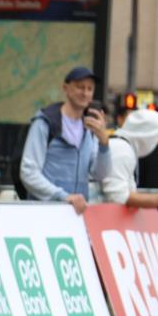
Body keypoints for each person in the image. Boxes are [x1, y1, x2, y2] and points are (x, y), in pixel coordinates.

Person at [18, 66, 111, 213]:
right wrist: (63, 196)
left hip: (76, 215)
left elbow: (100, 174)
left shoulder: (90, 128)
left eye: (90, 89)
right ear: (66, 88)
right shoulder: (45, 122)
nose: (85, 93)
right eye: (80, 87)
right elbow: (28, 173)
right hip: (44, 213)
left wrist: (104, 143)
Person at [100, 108, 158, 210]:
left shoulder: (125, 147)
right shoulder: (122, 150)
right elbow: (117, 196)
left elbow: (128, 192)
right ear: (149, 136)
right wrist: (157, 200)